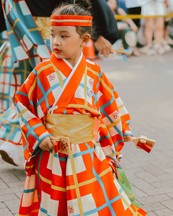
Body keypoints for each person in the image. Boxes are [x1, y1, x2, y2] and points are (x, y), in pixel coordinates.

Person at [11, 0, 164, 216]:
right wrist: (41, 135)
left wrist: (124, 133)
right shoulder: (42, 72)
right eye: (52, 35)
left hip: (88, 157)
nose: (55, 42)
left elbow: (111, 107)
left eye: (64, 36)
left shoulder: (93, 72)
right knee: (56, 210)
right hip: (54, 157)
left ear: (84, 40)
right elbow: (22, 103)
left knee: (99, 208)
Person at [0, 0, 119, 167]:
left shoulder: (94, 70)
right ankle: (22, 143)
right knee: (40, 94)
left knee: (45, 94)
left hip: (26, 32)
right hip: (48, 32)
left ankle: (18, 143)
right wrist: (99, 33)